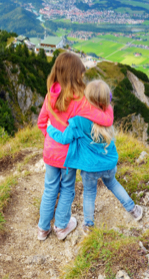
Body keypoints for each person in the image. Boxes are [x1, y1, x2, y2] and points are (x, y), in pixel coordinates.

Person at [47, 79, 143, 233]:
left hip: (89, 167)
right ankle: (134, 210)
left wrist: (50, 129)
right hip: (109, 163)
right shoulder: (108, 114)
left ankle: (89, 225)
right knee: (113, 184)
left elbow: (64, 138)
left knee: (89, 193)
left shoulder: (78, 120)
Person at [36, 52, 114, 241]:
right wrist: (108, 104)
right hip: (68, 155)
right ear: (75, 75)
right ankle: (62, 226)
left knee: (50, 188)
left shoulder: (50, 95)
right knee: (68, 188)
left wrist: (51, 140)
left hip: (49, 153)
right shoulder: (80, 101)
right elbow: (106, 119)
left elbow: (41, 123)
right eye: (80, 74)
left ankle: (42, 229)